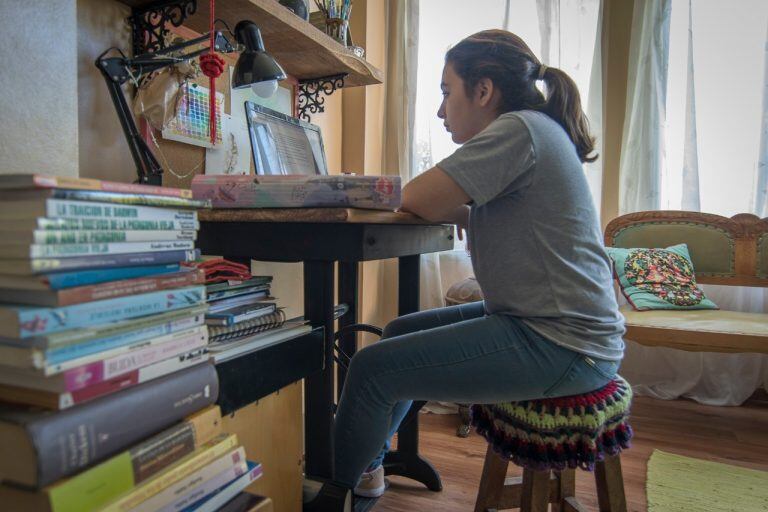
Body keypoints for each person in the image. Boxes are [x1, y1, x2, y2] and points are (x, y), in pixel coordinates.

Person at [304, 29, 625, 512]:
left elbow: (416, 197)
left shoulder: (518, 130)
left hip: (562, 344)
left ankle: (336, 493)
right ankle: (366, 470)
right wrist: (461, 212)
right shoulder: (534, 130)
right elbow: (503, 217)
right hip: (559, 330)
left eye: (446, 92)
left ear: (483, 91)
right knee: (395, 332)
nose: (440, 110)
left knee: (373, 368)